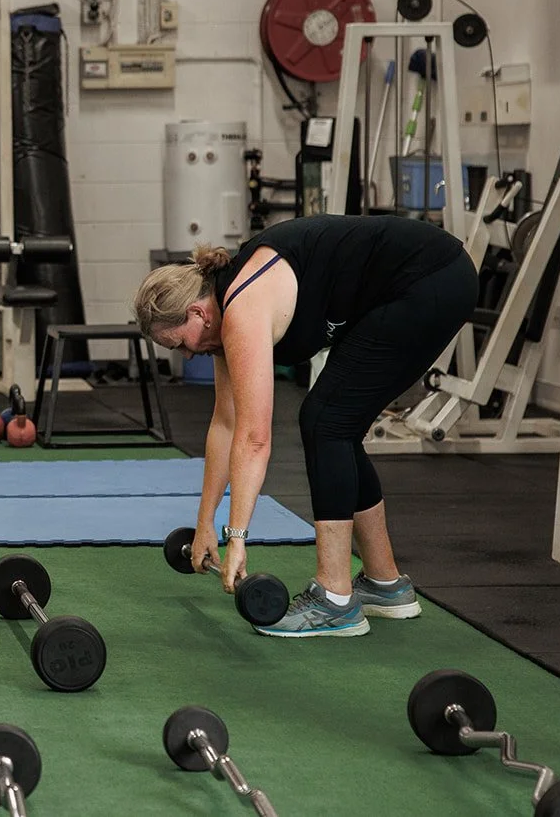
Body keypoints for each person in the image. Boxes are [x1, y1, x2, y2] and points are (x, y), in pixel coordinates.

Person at [132, 213, 476, 637]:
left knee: (325, 421)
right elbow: (225, 424)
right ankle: (386, 585)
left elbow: (256, 439)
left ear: (197, 312)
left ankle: (334, 599)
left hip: (430, 278)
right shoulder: (222, 318)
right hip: (419, 282)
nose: (186, 355)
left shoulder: (242, 308)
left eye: (179, 343)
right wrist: (206, 522)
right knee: (336, 423)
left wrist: (237, 535)